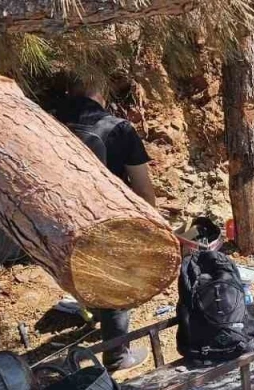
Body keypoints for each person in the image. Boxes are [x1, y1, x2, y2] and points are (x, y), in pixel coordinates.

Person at [54, 77, 155, 371]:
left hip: (63, 214)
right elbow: (142, 186)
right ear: (100, 90)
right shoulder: (119, 129)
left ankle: (94, 310)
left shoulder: (52, 123)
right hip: (108, 218)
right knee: (116, 281)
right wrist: (151, 225)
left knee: (83, 269)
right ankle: (117, 355)